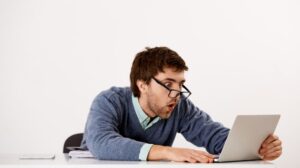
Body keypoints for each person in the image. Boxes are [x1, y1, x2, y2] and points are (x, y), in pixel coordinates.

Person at [81, 46, 282, 163]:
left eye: (180, 84)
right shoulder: (109, 101)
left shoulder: (180, 106)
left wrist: (256, 147)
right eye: (168, 84)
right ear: (142, 85)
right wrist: (167, 151)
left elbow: (213, 135)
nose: (176, 94)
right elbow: (101, 143)